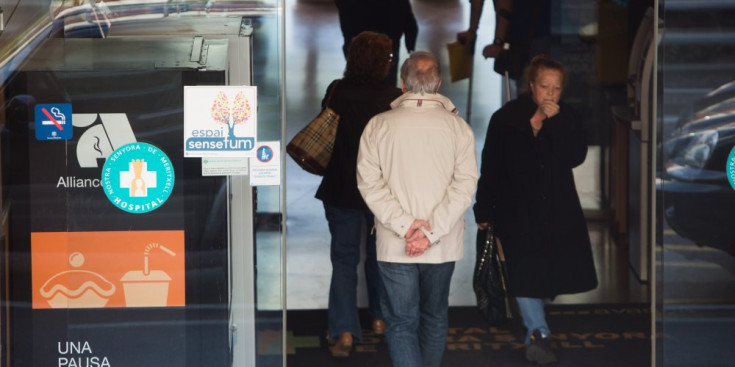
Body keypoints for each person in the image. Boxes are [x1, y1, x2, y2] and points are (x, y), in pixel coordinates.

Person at [473, 55, 598, 365]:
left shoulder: (567, 117)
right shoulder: (506, 118)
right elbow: (491, 166)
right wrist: (483, 209)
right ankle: (537, 332)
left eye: (556, 88)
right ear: (531, 86)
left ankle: (535, 318)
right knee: (525, 270)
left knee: (547, 273)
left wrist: (551, 123)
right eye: (544, 86)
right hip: (516, 211)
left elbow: (574, 156)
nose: (550, 94)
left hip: (557, 210)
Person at [356, 51, 478, 367]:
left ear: (402, 83)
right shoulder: (458, 128)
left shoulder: (378, 125)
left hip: (394, 243)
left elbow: (369, 184)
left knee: (400, 321)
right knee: (434, 316)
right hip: (442, 242)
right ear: (438, 83)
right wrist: (429, 231)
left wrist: (406, 227)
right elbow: (464, 186)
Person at [315, 31, 403, 357]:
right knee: (382, 258)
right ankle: (380, 319)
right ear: (381, 64)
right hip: (380, 191)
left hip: (340, 190)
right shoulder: (393, 98)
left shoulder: (336, 91)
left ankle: (345, 332)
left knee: (344, 260)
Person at [457, 0, 551, 93]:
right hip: (534, 28)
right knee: (535, 81)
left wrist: (498, 41)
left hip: (530, 29)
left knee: (533, 82)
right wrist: (472, 30)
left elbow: (503, 6)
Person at [334, 0, 418, 85]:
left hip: (357, 46)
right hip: (387, 47)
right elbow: (410, 23)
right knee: (386, 83)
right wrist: (410, 46)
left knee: (357, 81)